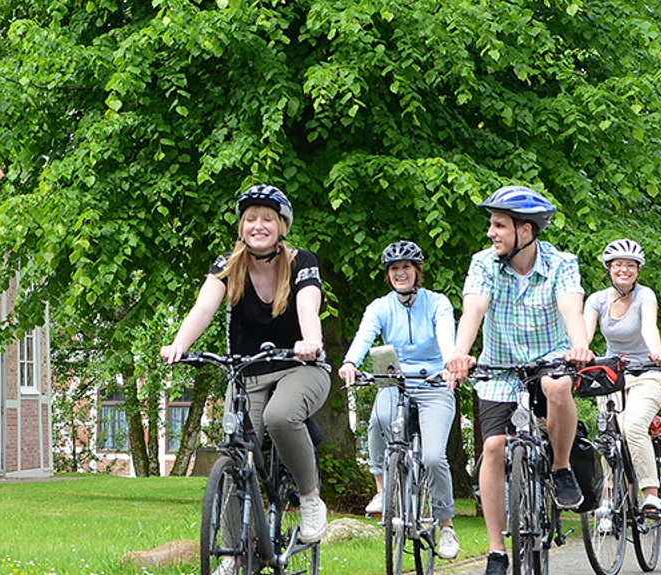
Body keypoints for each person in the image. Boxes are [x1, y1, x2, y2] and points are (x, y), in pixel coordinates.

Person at [160, 184, 331, 548]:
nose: (258, 225)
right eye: (251, 218)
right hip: (248, 370)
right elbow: (204, 308)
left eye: (267, 218)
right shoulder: (228, 264)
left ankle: (310, 497)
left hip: (299, 366)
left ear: (281, 225)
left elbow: (308, 306)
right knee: (234, 451)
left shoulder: (302, 261)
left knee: (280, 416)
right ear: (241, 225)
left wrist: (311, 341)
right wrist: (179, 344)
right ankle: (232, 553)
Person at [444, 185, 594, 575]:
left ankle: (560, 467)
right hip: (500, 367)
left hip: (548, 360)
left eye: (498, 225)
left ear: (524, 231)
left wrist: (579, 345)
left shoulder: (562, 264)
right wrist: (460, 353)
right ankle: (496, 551)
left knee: (558, 385)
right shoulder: (484, 264)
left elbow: (570, 307)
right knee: (494, 447)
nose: (491, 232)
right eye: (491, 225)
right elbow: (473, 309)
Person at [338, 240, 462, 559]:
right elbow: (364, 335)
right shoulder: (380, 306)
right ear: (388, 275)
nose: (400, 273)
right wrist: (350, 362)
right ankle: (382, 491)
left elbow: (447, 336)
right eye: (394, 268)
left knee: (434, 457)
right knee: (379, 419)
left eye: (406, 267)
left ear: (417, 271)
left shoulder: (438, 303)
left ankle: (446, 525)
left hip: (434, 381)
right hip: (394, 378)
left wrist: (451, 364)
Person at [583, 238, 661, 518]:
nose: (624, 270)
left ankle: (650, 496)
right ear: (608, 268)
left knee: (632, 426)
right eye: (618, 265)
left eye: (631, 265)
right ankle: (609, 499)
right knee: (608, 434)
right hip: (612, 376)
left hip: (648, 374)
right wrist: (580, 353)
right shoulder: (596, 300)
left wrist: (656, 352)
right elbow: (585, 333)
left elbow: (649, 326)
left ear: (638, 270)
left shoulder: (645, 295)